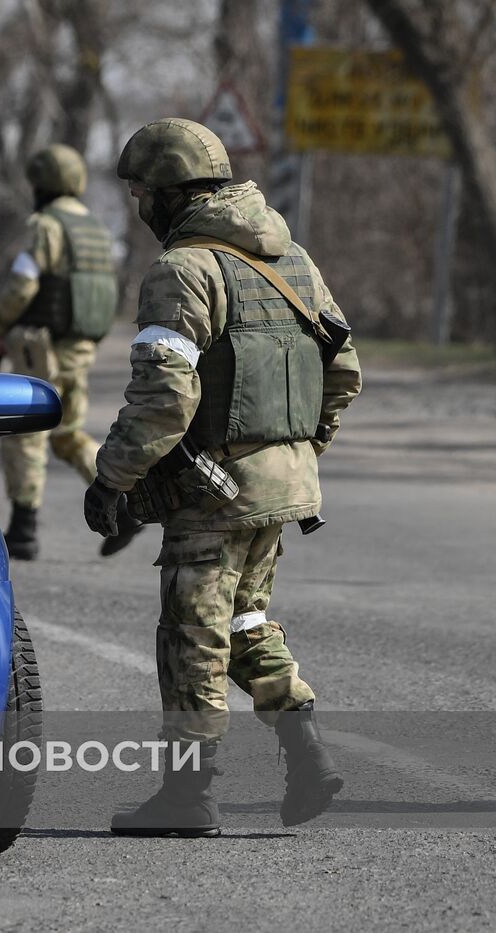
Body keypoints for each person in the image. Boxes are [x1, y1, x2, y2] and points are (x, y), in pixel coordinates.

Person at [85, 118, 362, 836]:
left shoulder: (183, 271)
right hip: (283, 484)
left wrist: (112, 477)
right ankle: (307, 754)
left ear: (169, 195)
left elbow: (164, 398)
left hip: (213, 490)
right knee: (243, 622)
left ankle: (187, 796)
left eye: (142, 192)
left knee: (191, 633)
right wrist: (298, 450)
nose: (139, 206)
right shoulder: (292, 258)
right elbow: (345, 369)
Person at [0, 144, 140, 560]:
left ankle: (23, 528)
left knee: (26, 434)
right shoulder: (94, 229)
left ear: (42, 185)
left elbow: (22, 284)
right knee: (69, 434)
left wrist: (1, 325)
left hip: (41, 348)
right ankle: (125, 505)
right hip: (81, 348)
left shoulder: (47, 226)